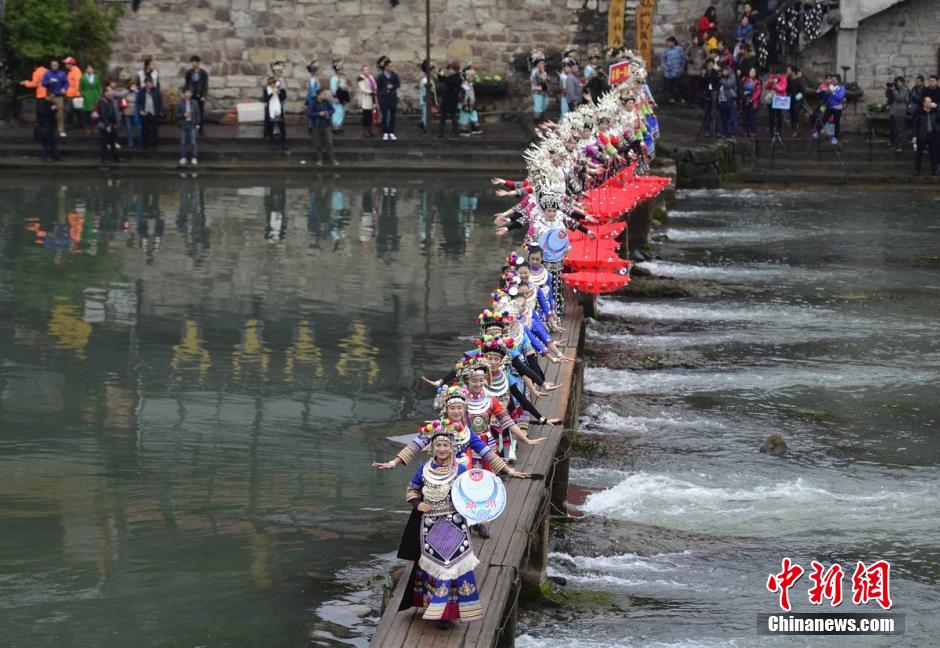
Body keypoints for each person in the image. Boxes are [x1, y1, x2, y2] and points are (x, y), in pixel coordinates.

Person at [812, 73, 845, 145]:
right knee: (823, 119)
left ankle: (835, 137)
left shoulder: (841, 88)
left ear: (838, 80)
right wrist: (825, 92)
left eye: (834, 80)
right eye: (832, 80)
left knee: (836, 123)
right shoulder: (831, 86)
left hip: (837, 108)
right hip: (829, 106)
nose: (832, 81)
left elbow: (840, 97)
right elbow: (826, 96)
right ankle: (817, 131)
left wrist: (832, 92)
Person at [307, 87, 336, 165]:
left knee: (329, 142)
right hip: (316, 125)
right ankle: (320, 159)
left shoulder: (326, 102)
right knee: (318, 143)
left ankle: (332, 159)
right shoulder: (313, 103)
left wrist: (328, 112)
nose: (324, 96)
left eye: (325, 94)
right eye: (323, 94)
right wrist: (318, 114)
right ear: (318, 95)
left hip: (326, 125)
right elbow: (309, 113)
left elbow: (333, 110)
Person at [912, 96, 940, 176]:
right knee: (919, 154)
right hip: (922, 135)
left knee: (934, 153)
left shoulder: (935, 111)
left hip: (933, 134)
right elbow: (915, 125)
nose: (930, 103)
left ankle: (934, 170)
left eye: (931, 101)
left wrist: (937, 107)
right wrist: (914, 136)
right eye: (928, 102)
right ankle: (917, 170)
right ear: (924, 103)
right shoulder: (920, 112)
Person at [94, 82, 120, 164]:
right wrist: (107, 125)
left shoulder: (110, 101)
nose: (110, 93)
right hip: (105, 125)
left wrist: (115, 123)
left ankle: (115, 157)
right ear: (104, 93)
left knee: (112, 142)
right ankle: (104, 158)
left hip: (112, 124)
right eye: (108, 91)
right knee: (104, 142)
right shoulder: (102, 102)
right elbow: (103, 114)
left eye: (111, 91)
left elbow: (113, 113)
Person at [42, 60, 69, 137]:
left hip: (59, 96)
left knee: (60, 114)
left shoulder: (62, 73)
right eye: (53, 65)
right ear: (51, 66)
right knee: (48, 113)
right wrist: (48, 82)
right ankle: (48, 130)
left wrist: (64, 88)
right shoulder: (47, 73)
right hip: (49, 96)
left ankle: (61, 130)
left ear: (58, 65)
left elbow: (66, 83)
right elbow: (43, 83)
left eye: (56, 65)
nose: (54, 66)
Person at [376, 56, 400, 140]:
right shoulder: (380, 76)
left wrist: (392, 86)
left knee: (393, 115)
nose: (391, 68)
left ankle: (392, 132)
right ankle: (385, 132)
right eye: (389, 66)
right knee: (385, 116)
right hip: (384, 98)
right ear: (386, 67)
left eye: (392, 66)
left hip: (392, 97)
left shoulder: (395, 75)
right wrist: (379, 100)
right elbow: (378, 89)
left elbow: (398, 84)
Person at [176, 86, 201, 166]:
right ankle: (183, 157)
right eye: (187, 92)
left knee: (193, 142)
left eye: (190, 92)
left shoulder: (194, 103)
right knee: (183, 142)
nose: (189, 94)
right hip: (183, 124)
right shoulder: (179, 103)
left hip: (192, 124)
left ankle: (194, 157)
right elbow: (176, 115)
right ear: (183, 94)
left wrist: (198, 123)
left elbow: (197, 113)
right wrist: (184, 115)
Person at [262, 76, 288, 151]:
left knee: (282, 128)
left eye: (274, 82)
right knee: (271, 128)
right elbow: (265, 99)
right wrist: (271, 94)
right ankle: (272, 144)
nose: (273, 84)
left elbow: (284, 97)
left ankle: (283, 143)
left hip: (278, 111)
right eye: (271, 83)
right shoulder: (266, 90)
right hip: (271, 112)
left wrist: (279, 93)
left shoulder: (280, 89)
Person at [183, 55, 209, 131]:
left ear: (198, 63)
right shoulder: (189, 72)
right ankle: (191, 127)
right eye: (192, 62)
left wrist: (204, 95)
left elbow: (205, 85)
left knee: (200, 112)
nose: (193, 64)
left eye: (194, 62)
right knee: (190, 111)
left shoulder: (203, 73)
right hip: (191, 94)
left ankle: (201, 128)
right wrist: (185, 93)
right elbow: (186, 84)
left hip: (200, 95)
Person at [437, 62, 462, 139]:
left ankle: (456, 133)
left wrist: (444, 75)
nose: (449, 70)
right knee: (442, 118)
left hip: (452, 100)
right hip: (446, 100)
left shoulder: (458, 78)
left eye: (450, 69)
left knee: (453, 118)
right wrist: (440, 72)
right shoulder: (450, 76)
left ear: (454, 70)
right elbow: (441, 79)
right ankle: (441, 134)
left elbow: (451, 82)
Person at [137, 77, 162, 151]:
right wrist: (140, 110)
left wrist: (160, 110)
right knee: (145, 130)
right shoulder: (141, 91)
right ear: (145, 84)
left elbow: (160, 101)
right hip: (145, 113)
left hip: (154, 113)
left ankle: (154, 145)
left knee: (154, 130)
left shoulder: (156, 90)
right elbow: (138, 102)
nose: (150, 84)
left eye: (151, 83)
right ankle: (145, 145)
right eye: (148, 83)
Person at [887, 76, 910, 153]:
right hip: (894, 112)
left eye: (898, 82)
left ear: (902, 82)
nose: (897, 83)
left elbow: (900, 98)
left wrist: (894, 91)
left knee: (901, 130)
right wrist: (889, 90)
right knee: (895, 131)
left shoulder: (905, 89)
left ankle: (902, 146)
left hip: (900, 112)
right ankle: (896, 145)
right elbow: (889, 97)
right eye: (896, 82)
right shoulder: (896, 89)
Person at [661, 36, 686, 104]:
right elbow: (663, 60)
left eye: (670, 42)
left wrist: (682, 67)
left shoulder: (679, 49)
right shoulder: (666, 51)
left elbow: (683, 58)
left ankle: (681, 97)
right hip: (669, 72)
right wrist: (666, 68)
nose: (668, 44)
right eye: (667, 42)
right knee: (670, 86)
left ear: (674, 42)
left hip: (678, 70)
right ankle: (671, 98)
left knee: (680, 85)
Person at [459, 64, 482, 137]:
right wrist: (465, 104)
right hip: (466, 104)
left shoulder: (470, 84)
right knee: (464, 116)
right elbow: (464, 95)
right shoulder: (464, 84)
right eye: (471, 75)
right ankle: (463, 129)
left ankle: (475, 128)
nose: (472, 77)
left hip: (471, 103)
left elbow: (471, 94)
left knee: (473, 114)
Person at [79, 64, 103, 132]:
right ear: (86, 70)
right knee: (87, 113)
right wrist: (84, 94)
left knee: (96, 111)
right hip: (87, 97)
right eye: (88, 68)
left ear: (93, 70)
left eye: (91, 68)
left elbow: (99, 87)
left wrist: (99, 94)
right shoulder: (83, 78)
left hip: (95, 96)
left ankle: (95, 126)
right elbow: (81, 88)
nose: (90, 70)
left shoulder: (96, 77)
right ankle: (87, 127)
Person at [685, 35, 708, 103]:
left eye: (696, 39)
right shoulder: (691, 46)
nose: (694, 41)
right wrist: (689, 59)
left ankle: (698, 99)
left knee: (698, 85)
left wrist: (703, 62)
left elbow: (707, 55)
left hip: (699, 68)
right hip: (691, 68)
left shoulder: (703, 47)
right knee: (691, 85)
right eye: (694, 39)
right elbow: (686, 54)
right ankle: (691, 99)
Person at [765, 68, 787, 137]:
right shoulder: (771, 78)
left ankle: (779, 131)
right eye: (774, 74)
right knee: (771, 115)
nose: (775, 75)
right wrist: (770, 82)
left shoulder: (783, 79)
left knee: (779, 115)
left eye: (776, 74)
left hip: (779, 99)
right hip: (771, 99)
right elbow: (766, 86)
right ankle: (771, 131)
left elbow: (782, 88)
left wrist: (776, 85)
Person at [717, 65, 738, 139]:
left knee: (733, 118)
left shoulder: (732, 76)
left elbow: (727, 84)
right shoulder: (720, 78)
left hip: (731, 100)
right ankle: (724, 133)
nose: (724, 72)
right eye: (723, 71)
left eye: (726, 70)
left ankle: (734, 134)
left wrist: (720, 79)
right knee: (723, 118)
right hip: (722, 101)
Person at [357, 64, 377, 137]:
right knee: (366, 115)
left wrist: (375, 89)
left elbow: (374, 85)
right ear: (362, 71)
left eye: (367, 69)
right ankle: (365, 131)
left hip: (372, 98)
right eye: (365, 70)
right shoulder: (360, 78)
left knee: (370, 115)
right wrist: (371, 92)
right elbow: (363, 88)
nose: (366, 71)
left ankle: (370, 130)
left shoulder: (371, 77)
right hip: (365, 98)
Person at [329, 59, 349, 133]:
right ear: (337, 70)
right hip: (338, 97)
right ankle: (335, 126)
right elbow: (333, 89)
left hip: (342, 96)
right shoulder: (334, 78)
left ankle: (339, 125)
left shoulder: (341, 78)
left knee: (342, 111)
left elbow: (344, 87)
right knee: (338, 111)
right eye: (341, 69)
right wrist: (335, 97)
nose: (342, 70)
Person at [741, 67, 761, 138]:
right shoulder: (744, 79)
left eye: (754, 72)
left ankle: (753, 131)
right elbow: (741, 88)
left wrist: (752, 99)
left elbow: (758, 92)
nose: (752, 73)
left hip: (752, 101)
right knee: (745, 116)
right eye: (751, 72)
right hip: (744, 100)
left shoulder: (757, 82)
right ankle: (746, 130)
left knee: (752, 116)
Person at [530, 51, 550, 124]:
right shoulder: (534, 72)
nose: (542, 64)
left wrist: (543, 71)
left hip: (544, 91)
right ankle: (537, 119)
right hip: (537, 91)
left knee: (545, 103)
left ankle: (540, 116)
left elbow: (547, 79)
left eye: (542, 62)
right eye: (540, 63)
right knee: (538, 105)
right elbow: (540, 80)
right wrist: (542, 71)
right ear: (536, 64)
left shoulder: (543, 71)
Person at [122, 79, 141, 148]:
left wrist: (137, 91)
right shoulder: (126, 93)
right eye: (132, 85)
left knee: (138, 127)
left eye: (134, 86)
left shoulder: (138, 93)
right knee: (128, 128)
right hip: (127, 112)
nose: (133, 87)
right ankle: (130, 142)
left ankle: (140, 141)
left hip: (135, 112)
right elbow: (123, 100)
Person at [418, 59, 437, 132]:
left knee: (426, 114)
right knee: (426, 114)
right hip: (426, 98)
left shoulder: (428, 79)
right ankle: (425, 126)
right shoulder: (425, 80)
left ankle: (424, 125)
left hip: (429, 98)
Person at [64, 56, 82, 128]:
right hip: (71, 94)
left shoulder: (76, 71)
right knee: (76, 110)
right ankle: (80, 124)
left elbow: (77, 83)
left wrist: (77, 94)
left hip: (73, 95)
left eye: (66, 63)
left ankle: (69, 124)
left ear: (70, 64)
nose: (65, 65)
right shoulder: (72, 71)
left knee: (69, 110)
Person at [786, 65, 804, 138]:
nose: (787, 72)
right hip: (790, 99)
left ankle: (796, 131)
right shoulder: (789, 79)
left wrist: (796, 98)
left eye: (788, 70)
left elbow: (802, 91)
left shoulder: (799, 80)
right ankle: (792, 131)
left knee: (796, 115)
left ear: (793, 71)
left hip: (797, 101)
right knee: (791, 116)